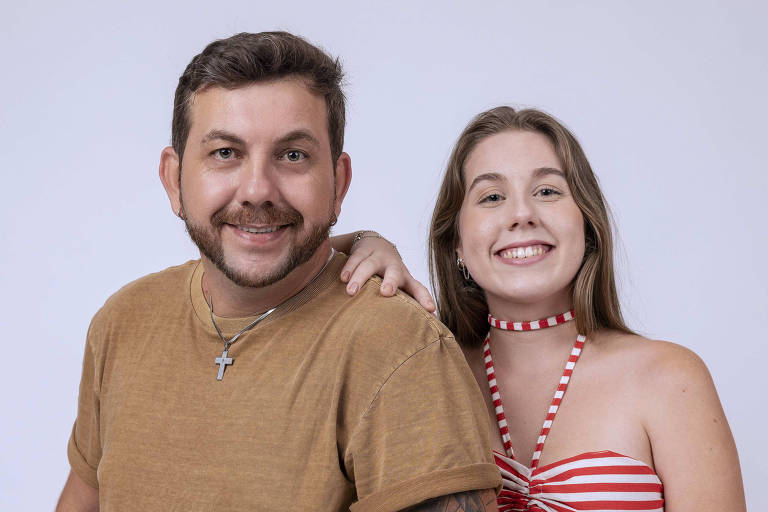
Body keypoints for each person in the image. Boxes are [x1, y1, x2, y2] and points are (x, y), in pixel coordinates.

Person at [56, 32, 502, 511]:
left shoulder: (398, 348)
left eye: (293, 155)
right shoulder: (124, 321)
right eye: (225, 153)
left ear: (338, 183)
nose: (257, 190)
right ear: (173, 178)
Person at [346, 106, 747, 511]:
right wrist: (362, 242)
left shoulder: (670, 379)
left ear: (587, 224)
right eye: (492, 197)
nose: (521, 215)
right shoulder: (421, 377)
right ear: (456, 242)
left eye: (547, 192)